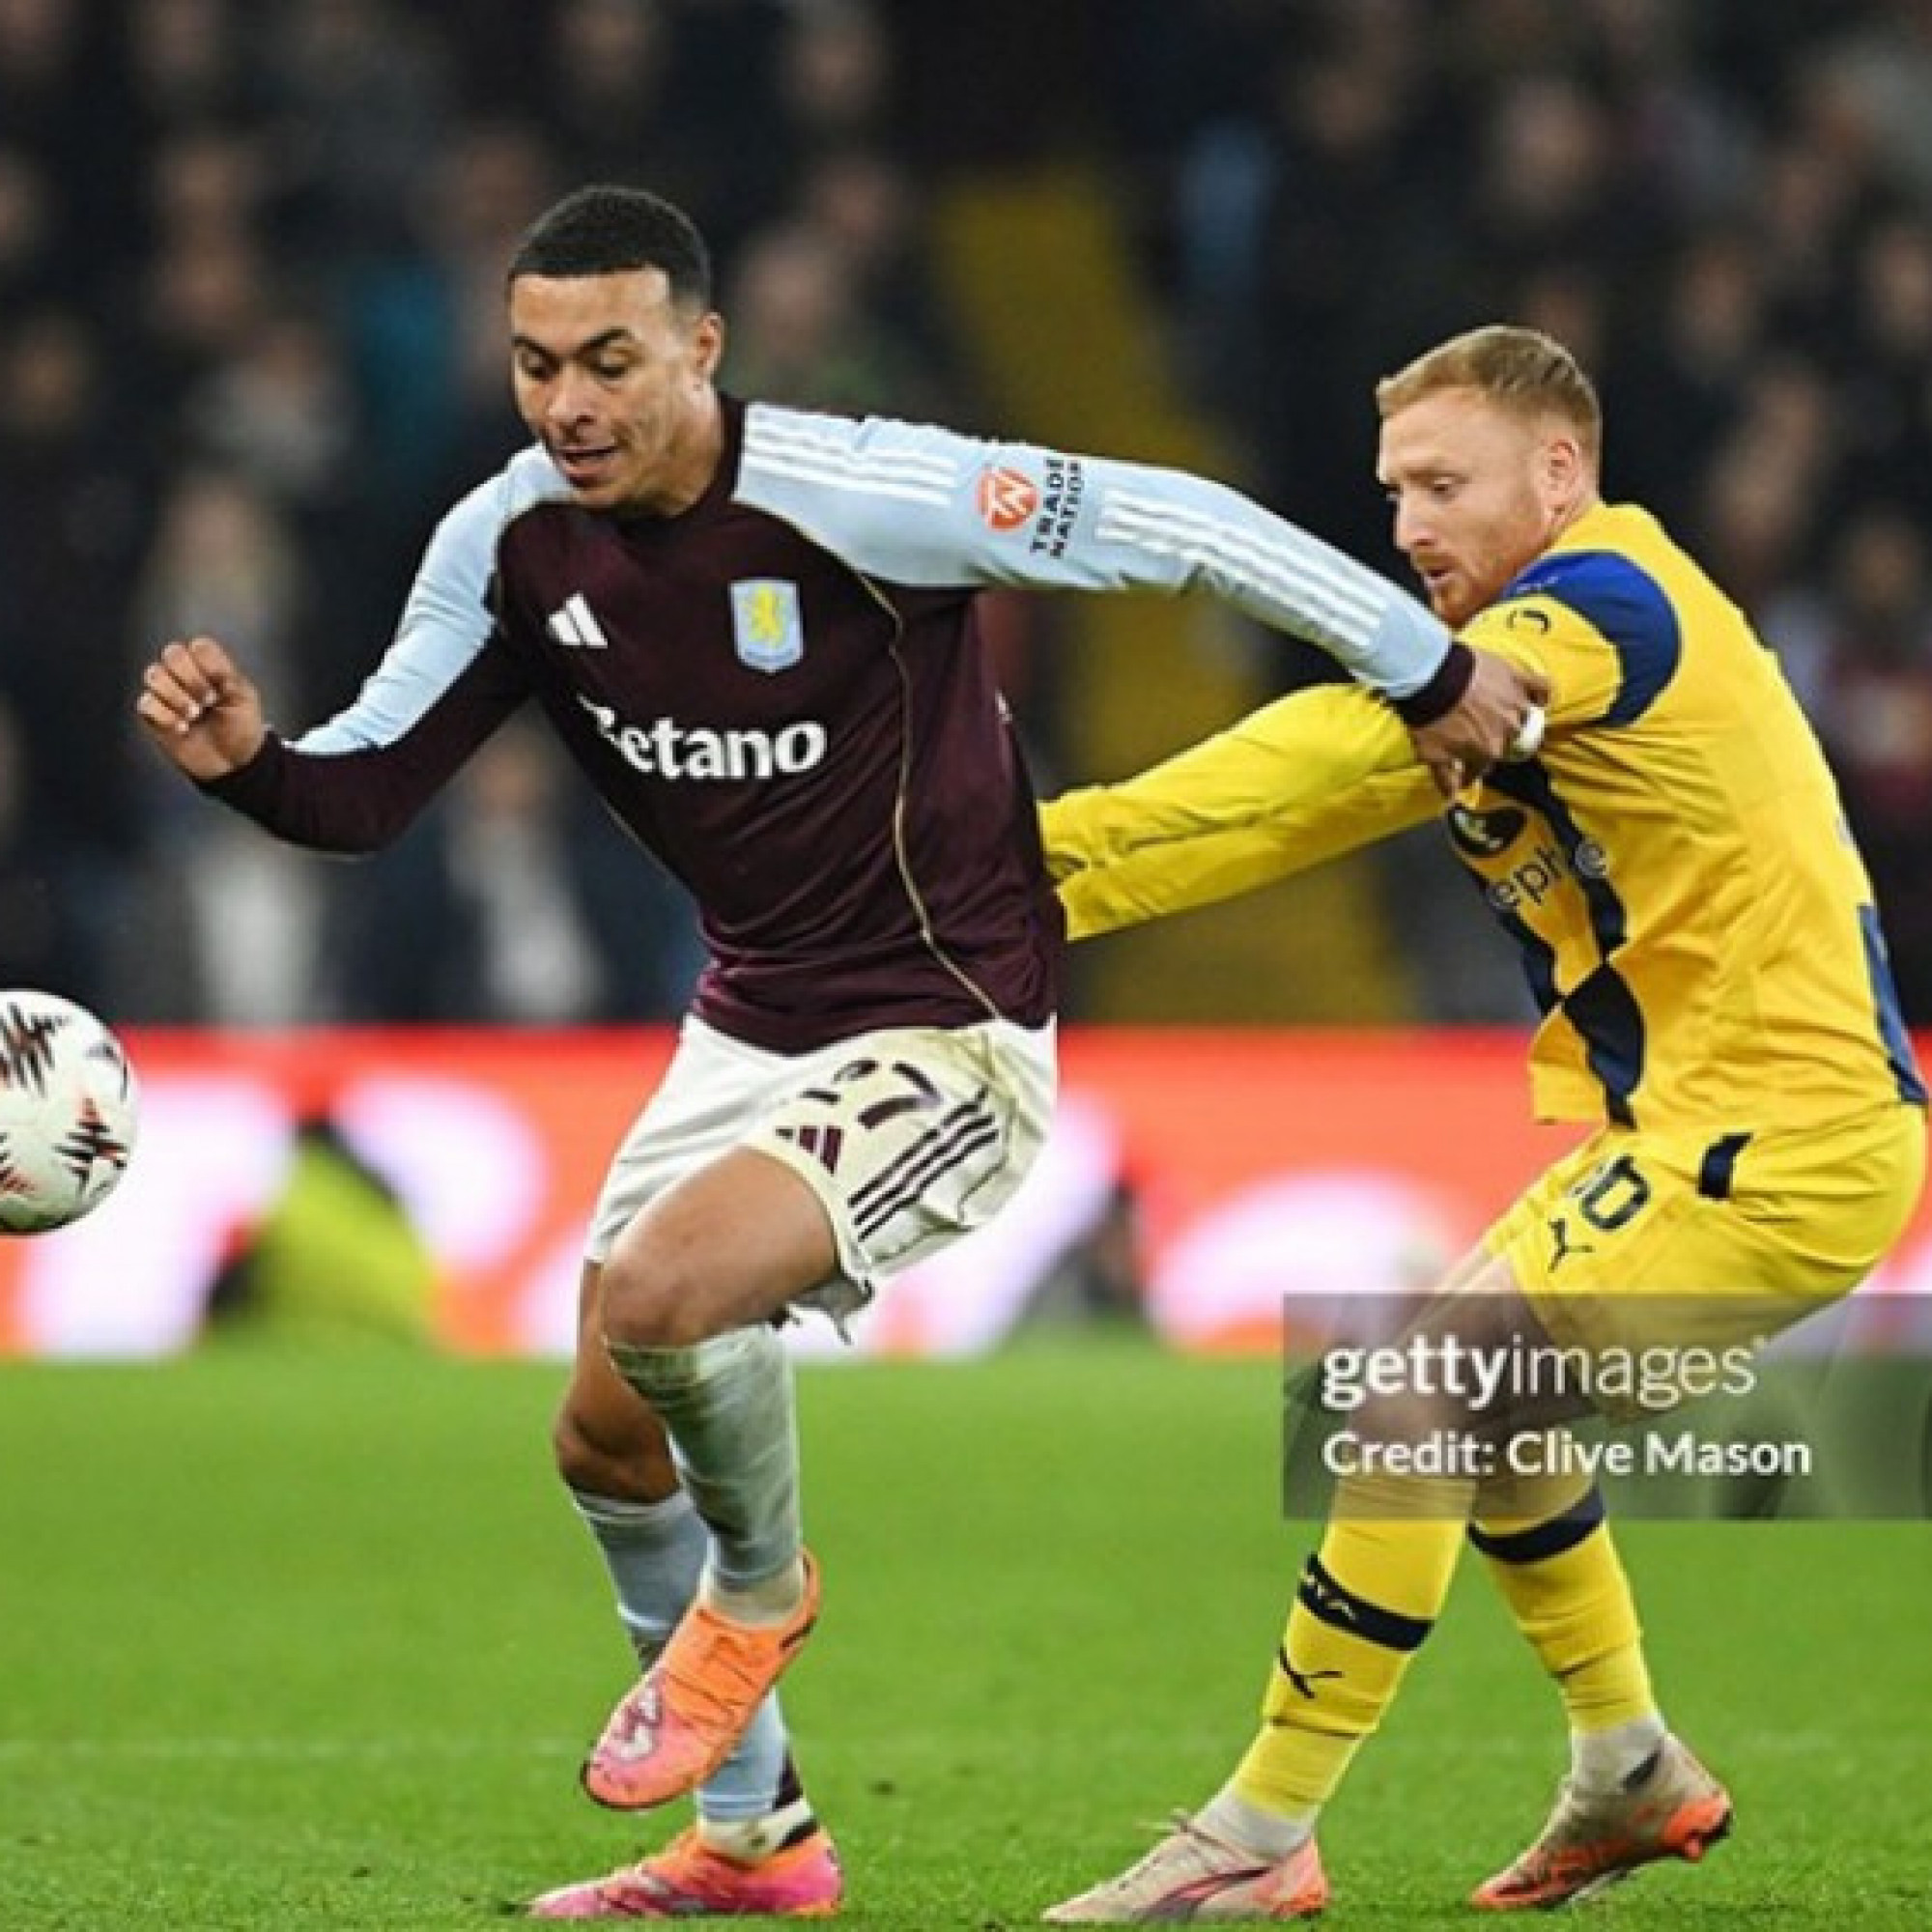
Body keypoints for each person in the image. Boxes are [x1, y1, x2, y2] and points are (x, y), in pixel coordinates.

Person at [133, 186, 1540, 1921]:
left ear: (702, 350)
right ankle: (754, 1838)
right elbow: (365, 787)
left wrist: (1422, 663)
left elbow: (1172, 517)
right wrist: (252, 765)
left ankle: (762, 1586)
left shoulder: (868, 490)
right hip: (746, 1022)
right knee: (599, 1436)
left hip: (949, 1025)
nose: (567, 403)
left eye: (610, 362)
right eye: (534, 365)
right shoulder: (507, 538)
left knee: (661, 1301)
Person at [1039, 325, 1928, 1921]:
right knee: (1475, 1408)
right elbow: (1313, 801)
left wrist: (1036, 858)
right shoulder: (1506, 659)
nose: (1407, 527)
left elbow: (1329, 746)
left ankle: (1259, 1833)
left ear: (1560, 473)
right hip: (1698, 1133)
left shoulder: (1605, 605)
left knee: (1407, 1405)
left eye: (1444, 484)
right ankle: (1628, 1762)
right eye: (1394, 493)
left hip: (1777, 1144)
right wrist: (1039, 886)